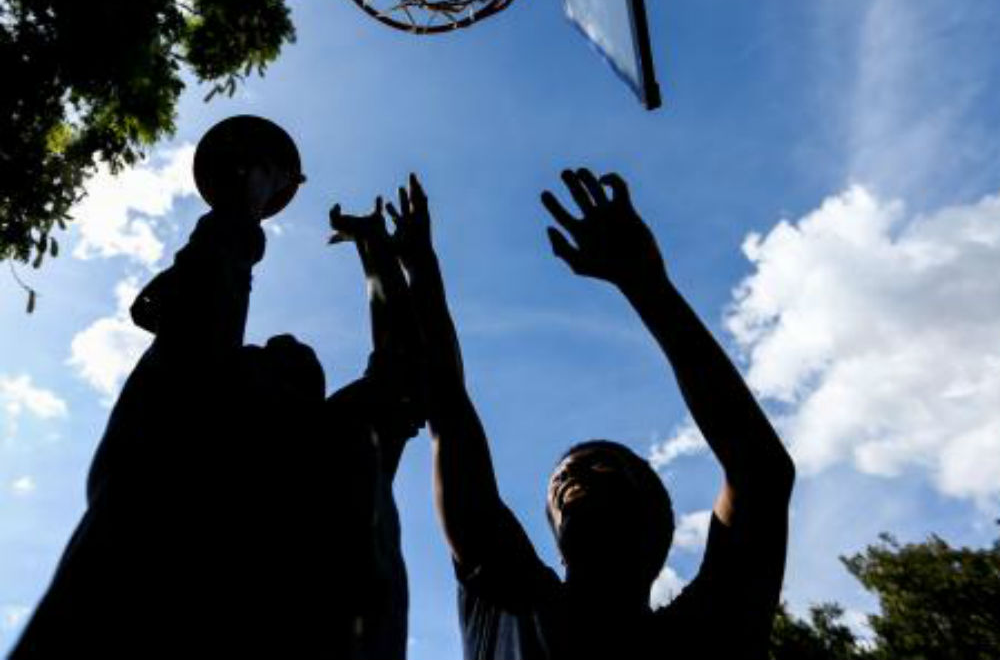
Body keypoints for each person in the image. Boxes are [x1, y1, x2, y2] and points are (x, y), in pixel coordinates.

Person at [12, 160, 420, 658]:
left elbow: (400, 369)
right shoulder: (186, 419)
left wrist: (371, 247)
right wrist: (246, 204)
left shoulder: (338, 446)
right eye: (264, 352)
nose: (280, 341)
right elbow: (210, 283)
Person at [387, 169, 794, 660]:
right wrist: (419, 269)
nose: (574, 473)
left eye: (605, 468)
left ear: (660, 529)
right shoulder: (508, 601)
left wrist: (647, 285)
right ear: (556, 539)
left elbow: (761, 473)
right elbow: (447, 409)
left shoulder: (705, 634)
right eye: (563, 477)